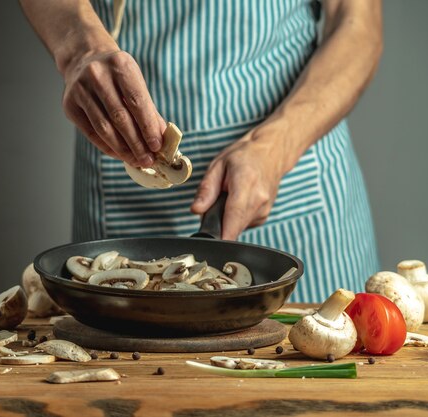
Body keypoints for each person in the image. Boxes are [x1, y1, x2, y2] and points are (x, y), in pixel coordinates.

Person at [20, 0, 383, 302]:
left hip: (294, 176)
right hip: (120, 177)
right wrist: (80, 48)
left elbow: (356, 24)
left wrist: (275, 146)